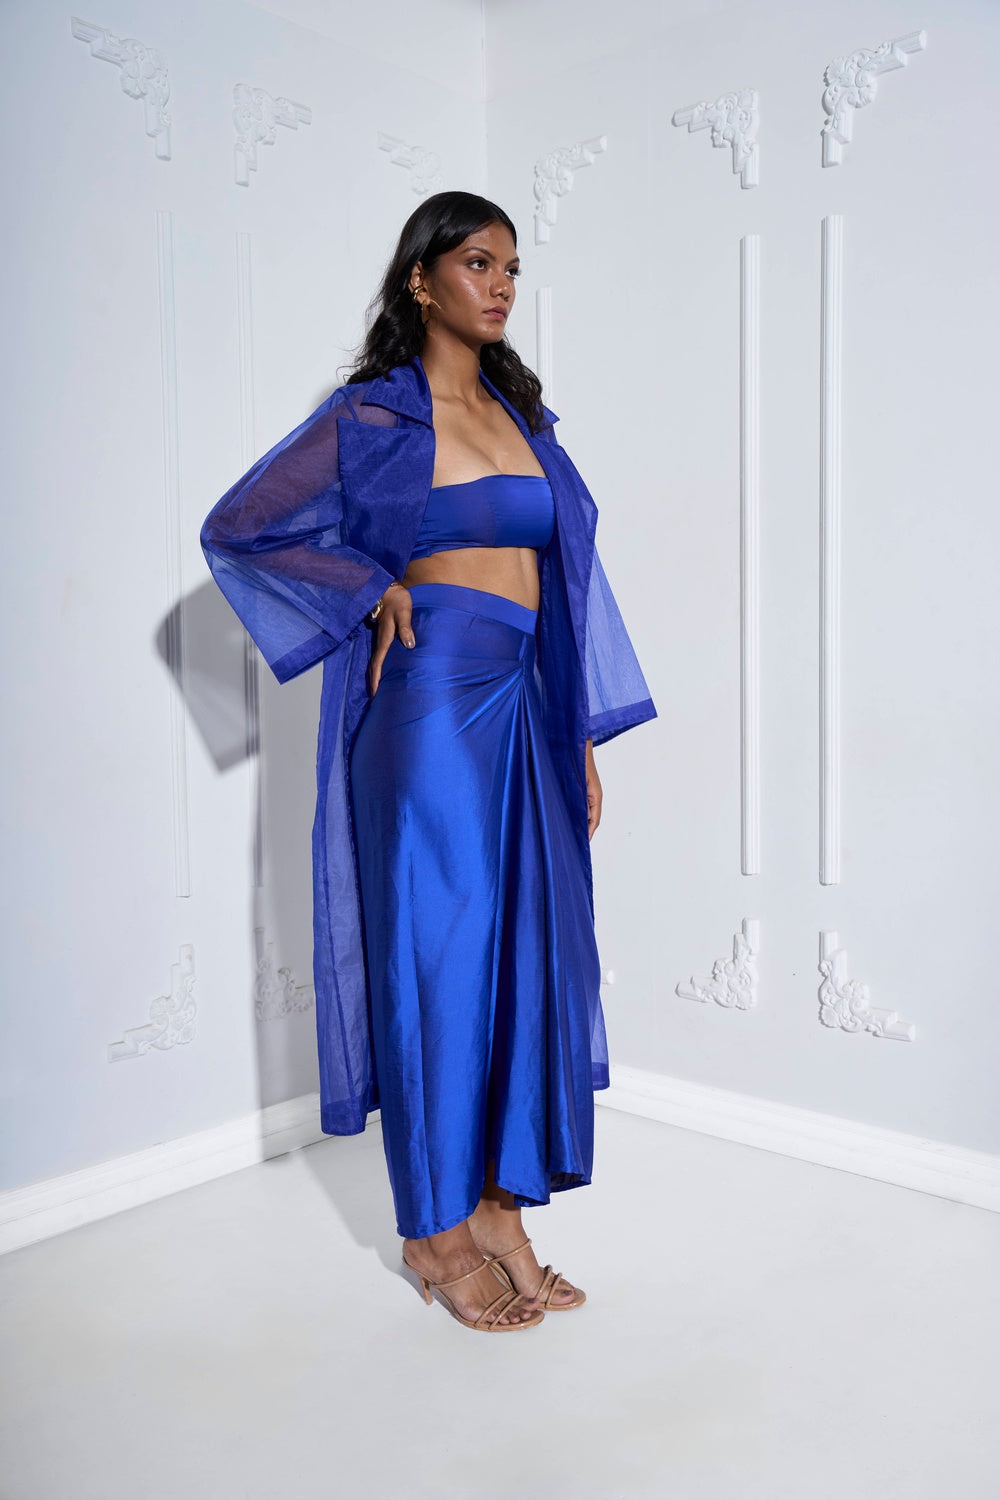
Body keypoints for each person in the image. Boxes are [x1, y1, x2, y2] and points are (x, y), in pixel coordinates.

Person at [201, 190, 656, 1333]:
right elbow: (241, 526)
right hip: (429, 708)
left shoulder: (521, 414)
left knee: (531, 957)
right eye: (476, 263)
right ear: (421, 279)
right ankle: (433, 1232)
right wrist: (367, 584)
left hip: (528, 707)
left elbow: (565, 586)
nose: (499, 285)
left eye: (511, 267)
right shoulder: (372, 418)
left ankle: (500, 1210)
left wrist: (575, 735)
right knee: (438, 959)